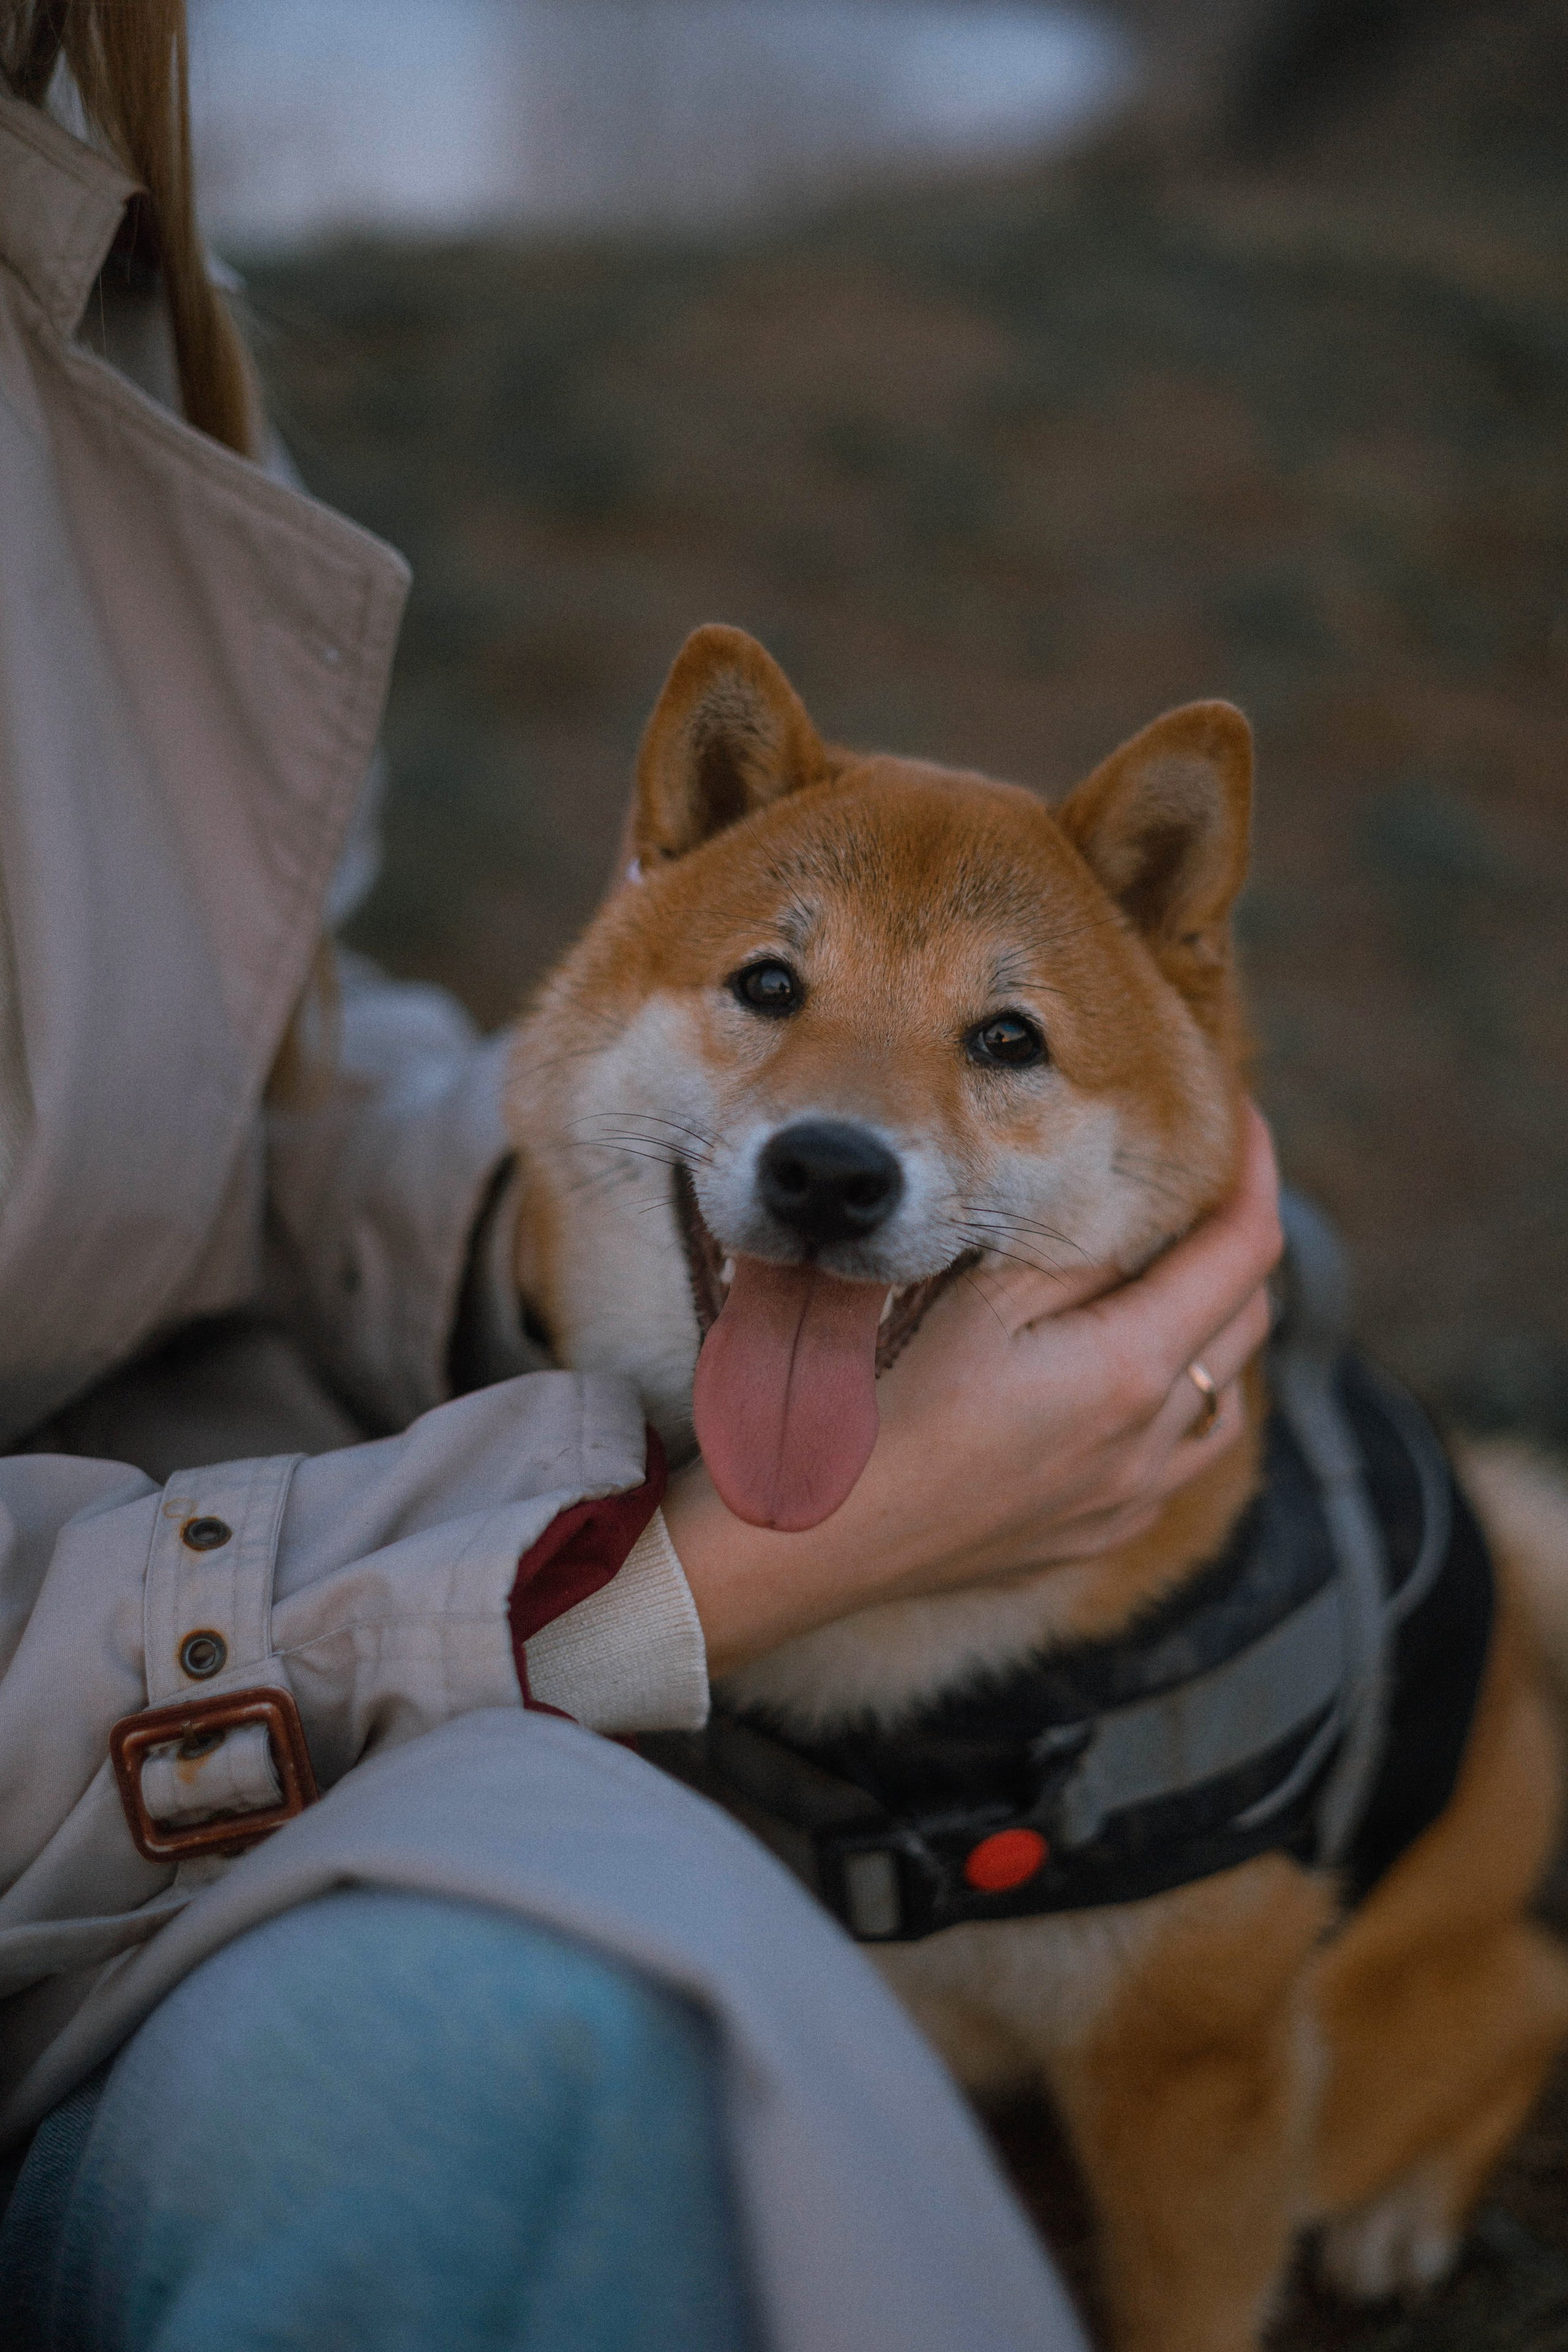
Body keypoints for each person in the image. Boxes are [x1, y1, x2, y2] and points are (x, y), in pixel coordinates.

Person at [0, 6, 1282, 2346]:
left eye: (997, 1043)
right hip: (231, 1667)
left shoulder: (101, 274)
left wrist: (531, 1253)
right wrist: (651, 1584)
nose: (845, 1116)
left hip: (246, 1570)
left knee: (565, 2079)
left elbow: (233, 1072)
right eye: (774, 996)